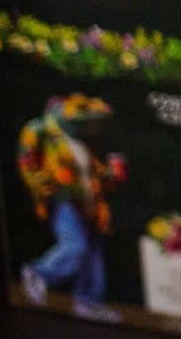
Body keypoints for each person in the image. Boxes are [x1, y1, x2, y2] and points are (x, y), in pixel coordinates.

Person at [17, 95, 126, 323]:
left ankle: (88, 303)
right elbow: (27, 161)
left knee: (92, 255)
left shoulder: (84, 146)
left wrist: (113, 173)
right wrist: (40, 184)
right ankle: (39, 272)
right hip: (64, 201)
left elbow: (99, 180)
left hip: (90, 205)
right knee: (75, 247)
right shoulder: (48, 137)